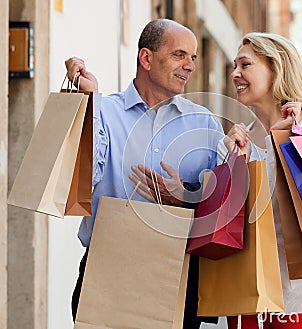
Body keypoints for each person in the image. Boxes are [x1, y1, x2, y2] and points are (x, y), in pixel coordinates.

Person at [65, 18, 223, 329]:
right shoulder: (103, 112)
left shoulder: (205, 125)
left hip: (176, 275)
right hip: (107, 273)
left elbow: (222, 205)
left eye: (193, 57)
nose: (190, 66)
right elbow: (81, 177)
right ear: (146, 58)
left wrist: (184, 196)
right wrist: (87, 98)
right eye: (179, 54)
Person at [223, 32, 302, 328]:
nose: (235, 73)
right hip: (248, 297)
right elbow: (229, 223)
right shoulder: (239, 139)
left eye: (245, 65)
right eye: (234, 65)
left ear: (277, 69)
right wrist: (233, 164)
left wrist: (291, 139)